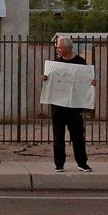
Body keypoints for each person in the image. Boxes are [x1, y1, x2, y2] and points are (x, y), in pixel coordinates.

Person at [42, 37, 98, 172]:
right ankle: (59, 164)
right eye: (57, 47)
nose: (57, 49)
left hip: (74, 107)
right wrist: (45, 78)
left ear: (68, 48)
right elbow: (50, 80)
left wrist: (92, 83)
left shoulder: (80, 62)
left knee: (78, 135)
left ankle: (82, 163)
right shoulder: (56, 64)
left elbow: (85, 80)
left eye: (59, 47)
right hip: (58, 106)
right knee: (58, 136)